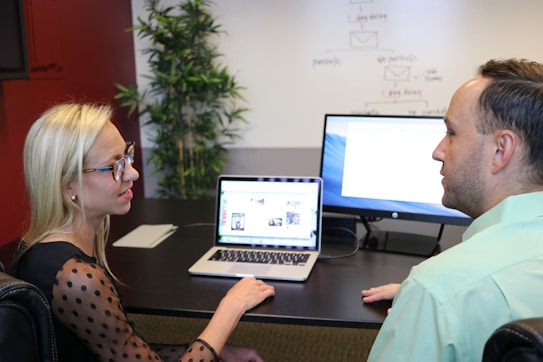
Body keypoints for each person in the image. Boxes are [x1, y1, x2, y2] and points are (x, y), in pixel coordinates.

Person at [11, 102, 275, 362]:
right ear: (69, 185)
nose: (133, 173)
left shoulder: (35, 249)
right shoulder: (78, 278)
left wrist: (218, 350)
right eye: (114, 166)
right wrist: (231, 308)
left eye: (127, 157)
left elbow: (121, 347)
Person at [361, 58, 543, 361]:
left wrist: (431, 300)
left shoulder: (437, 288)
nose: (438, 151)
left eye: (452, 133)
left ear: (501, 150)